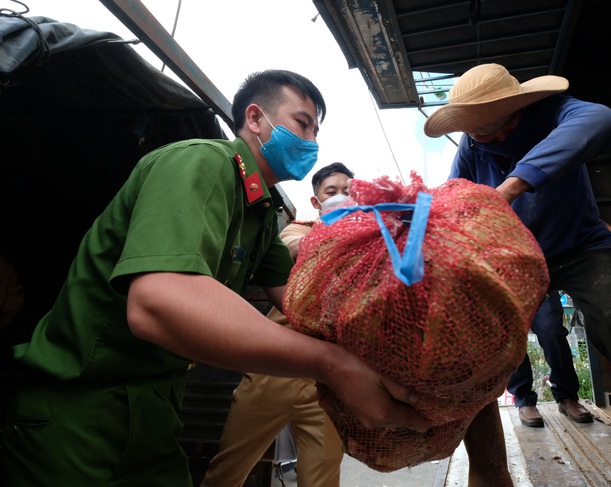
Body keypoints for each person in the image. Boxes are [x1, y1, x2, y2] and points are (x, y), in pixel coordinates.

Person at [0, 70, 430, 486]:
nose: (312, 141)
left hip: (157, 408)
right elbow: (156, 303)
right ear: (256, 118)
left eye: (317, 131)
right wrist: (332, 363)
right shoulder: (203, 162)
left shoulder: (261, 216)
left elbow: (304, 305)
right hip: (78, 406)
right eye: (303, 124)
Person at [423, 63, 611, 486]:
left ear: (518, 107)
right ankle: (490, 473)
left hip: (580, 250)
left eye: (499, 127)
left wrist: (512, 185)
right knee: (471, 345)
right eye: (478, 133)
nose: (490, 140)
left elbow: (602, 120)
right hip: (512, 259)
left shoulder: (556, 112)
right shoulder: (472, 148)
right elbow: (453, 198)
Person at [201, 162, 354, 487]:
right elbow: (291, 250)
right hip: (273, 371)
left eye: (348, 192)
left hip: (325, 382)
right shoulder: (299, 229)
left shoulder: (370, 242)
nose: (341, 197)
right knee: (228, 471)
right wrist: (337, 229)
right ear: (316, 202)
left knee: (323, 478)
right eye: (332, 192)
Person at [507, 290, 592, 428]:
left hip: (541, 284)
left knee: (552, 330)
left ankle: (567, 396)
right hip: (504, 283)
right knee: (512, 335)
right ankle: (524, 400)